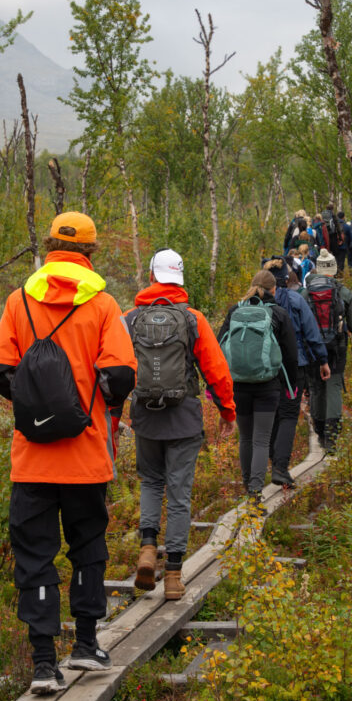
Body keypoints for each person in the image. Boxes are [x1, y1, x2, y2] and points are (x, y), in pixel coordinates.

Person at [0, 212, 137, 694]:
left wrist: (37, 409)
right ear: (90, 252)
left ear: (49, 246)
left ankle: (44, 664)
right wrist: (88, 404)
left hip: (31, 459)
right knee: (87, 548)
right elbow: (121, 376)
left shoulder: (18, 300)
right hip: (86, 456)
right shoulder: (104, 305)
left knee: (35, 554)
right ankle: (86, 645)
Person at [124, 249, 236, 601]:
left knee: (151, 482)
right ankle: (173, 575)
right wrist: (227, 410)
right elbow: (216, 370)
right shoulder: (193, 319)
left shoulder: (129, 320)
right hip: (184, 418)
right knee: (180, 494)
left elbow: (114, 370)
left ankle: (146, 547)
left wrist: (114, 417)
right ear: (180, 279)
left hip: (146, 417)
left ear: (153, 277)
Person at [218, 270, 298, 504]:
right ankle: (255, 489)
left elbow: (219, 344)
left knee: (246, 437)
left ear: (252, 287)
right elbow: (291, 355)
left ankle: (247, 485)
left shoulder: (235, 311)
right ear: (274, 290)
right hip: (267, 385)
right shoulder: (278, 314)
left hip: (239, 385)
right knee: (262, 439)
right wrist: (290, 385)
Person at [263, 258, 331, 485]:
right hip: (294, 368)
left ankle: (273, 460)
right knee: (289, 416)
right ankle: (280, 468)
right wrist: (322, 360)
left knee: (271, 415)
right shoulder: (294, 300)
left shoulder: (252, 304)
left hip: (265, 370)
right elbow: (311, 333)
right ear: (284, 277)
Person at [302, 249, 352, 454]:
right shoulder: (342, 292)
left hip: (311, 350)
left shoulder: (305, 293)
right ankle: (332, 437)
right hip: (337, 348)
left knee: (316, 387)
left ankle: (319, 431)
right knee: (333, 386)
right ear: (333, 269)